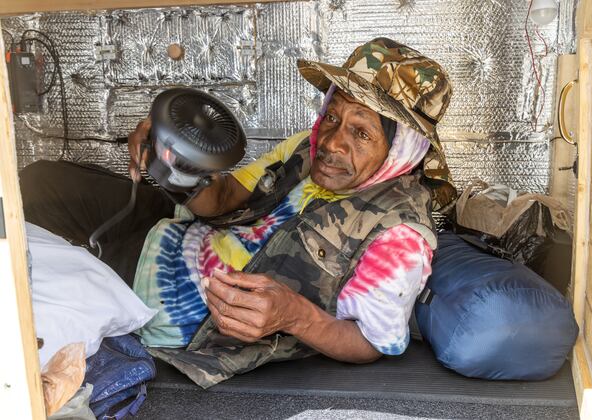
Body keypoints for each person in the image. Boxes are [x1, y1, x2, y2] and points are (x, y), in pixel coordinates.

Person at [20, 37, 456, 388]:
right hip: (175, 229)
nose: (332, 142)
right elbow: (228, 197)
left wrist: (294, 316)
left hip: (171, 297)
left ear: (403, 148)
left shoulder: (400, 235)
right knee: (40, 182)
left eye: (360, 133)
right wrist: (173, 165)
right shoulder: (309, 146)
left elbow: (373, 341)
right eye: (334, 116)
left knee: (31, 274)